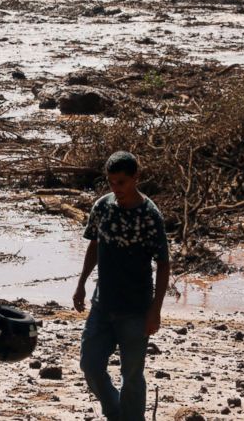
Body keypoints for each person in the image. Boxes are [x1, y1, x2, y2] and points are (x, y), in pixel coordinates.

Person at [73, 151, 170, 421]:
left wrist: (155, 311)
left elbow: (163, 265)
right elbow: (95, 244)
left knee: (132, 376)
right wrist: (81, 284)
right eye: (111, 182)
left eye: (122, 183)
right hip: (103, 304)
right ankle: (115, 412)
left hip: (136, 310)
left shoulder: (150, 216)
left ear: (135, 179)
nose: (116, 189)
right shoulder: (102, 207)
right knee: (90, 366)